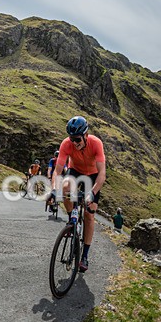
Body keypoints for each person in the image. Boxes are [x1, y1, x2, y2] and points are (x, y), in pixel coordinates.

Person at [48, 115, 106, 273]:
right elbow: (58, 171)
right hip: (76, 171)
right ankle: (71, 221)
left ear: (86, 135)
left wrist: (92, 193)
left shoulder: (96, 144)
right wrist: (53, 189)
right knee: (65, 187)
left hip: (93, 175)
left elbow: (102, 175)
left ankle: (85, 255)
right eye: (72, 139)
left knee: (89, 214)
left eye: (78, 139)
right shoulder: (67, 144)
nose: (75, 143)